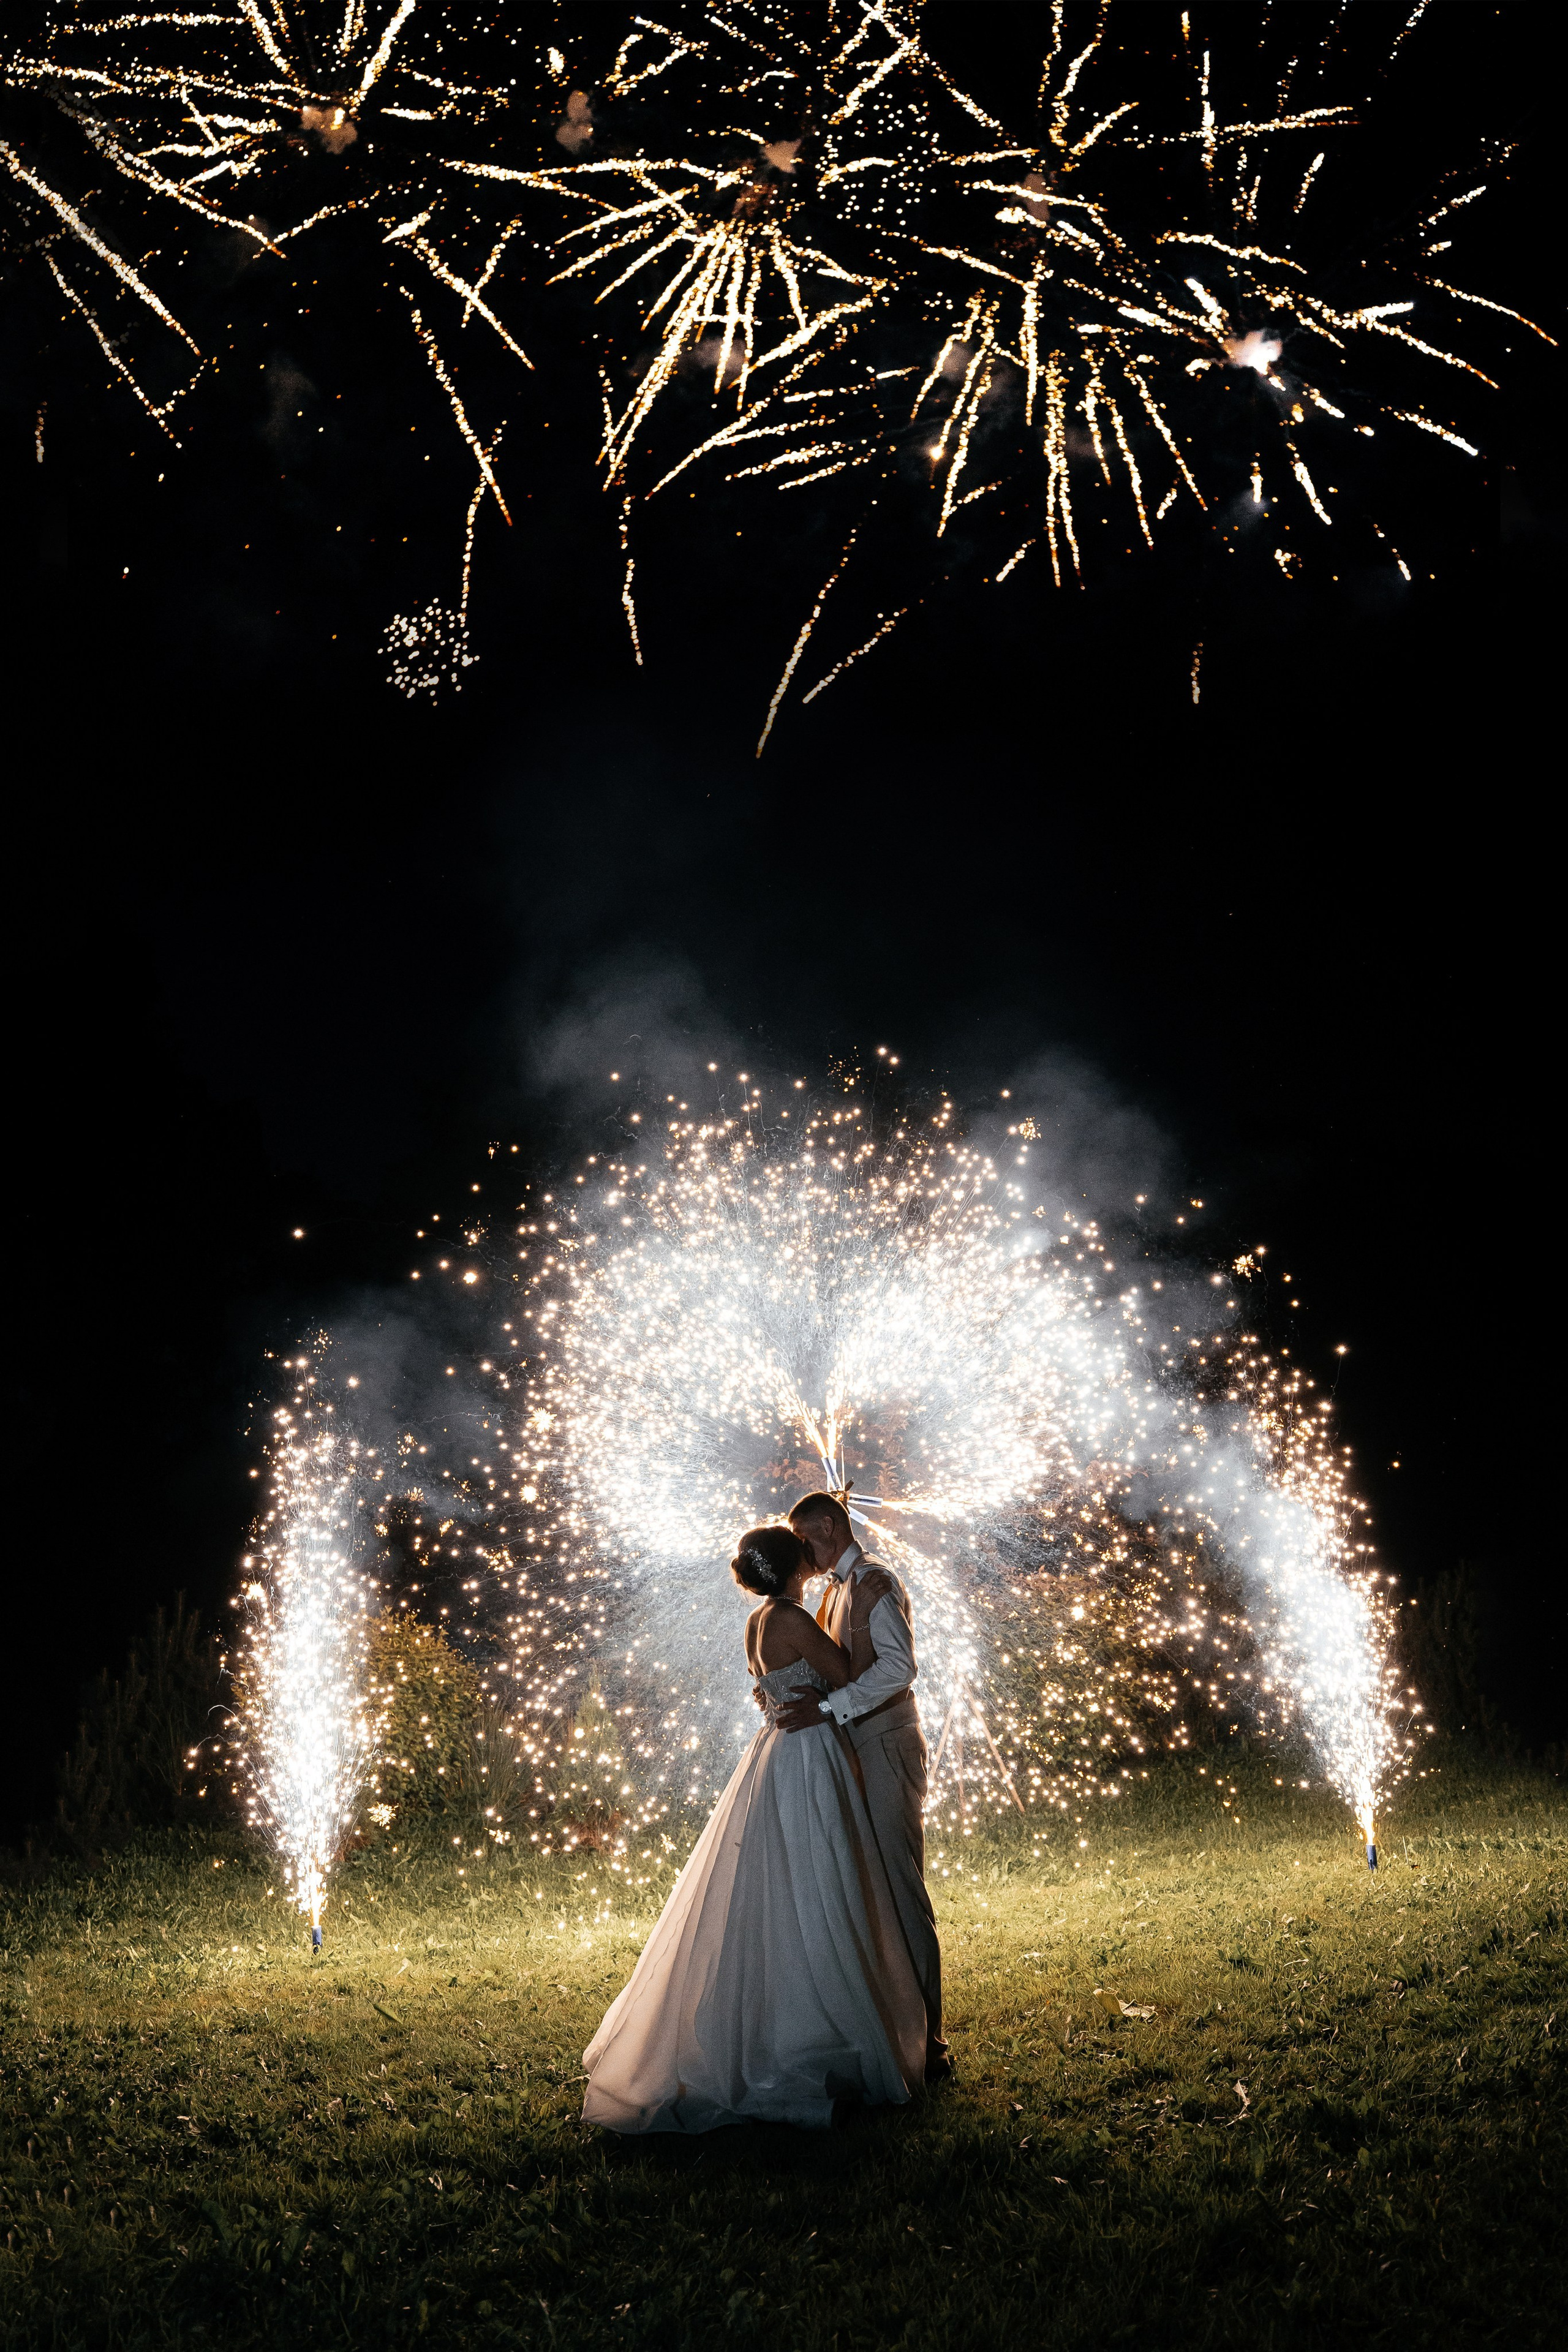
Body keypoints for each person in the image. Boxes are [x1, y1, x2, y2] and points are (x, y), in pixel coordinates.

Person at [581, 1522, 927, 2133]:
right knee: (819, 1871)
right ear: (795, 1564)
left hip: (776, 1749)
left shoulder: (758, 1621)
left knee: (779, 1878)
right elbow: (847, 1673)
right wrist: (863, 1626)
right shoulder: (792, 1619)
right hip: (808, 1750)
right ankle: (822, 2024)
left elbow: (767, 1685)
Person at [772, 1491, 949, 2079]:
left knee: (900, 1887)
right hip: (854, 1747)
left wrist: (830, 1710)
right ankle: (893, 2029)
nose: (801, 1550)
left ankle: (932, 2045)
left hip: (886, 1741)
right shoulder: (834, 1593)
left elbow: (899, 1669)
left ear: (827, 1525)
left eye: (805, 1538)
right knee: (868, 1890)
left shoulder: (875, 1582)